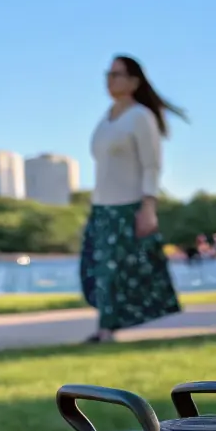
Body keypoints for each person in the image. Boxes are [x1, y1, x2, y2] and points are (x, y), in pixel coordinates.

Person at [80, 56, 183, 343]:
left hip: (129, 206)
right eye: (108, 74)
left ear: (134, 81)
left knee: (115, 270)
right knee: (94, 269)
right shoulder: (107, 116)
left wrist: (148, 206)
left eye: (117, 74)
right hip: (102, 206)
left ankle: (106, 329)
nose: (111, 80)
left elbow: (152, 165)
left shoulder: (140, 117)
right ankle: (107, 323)